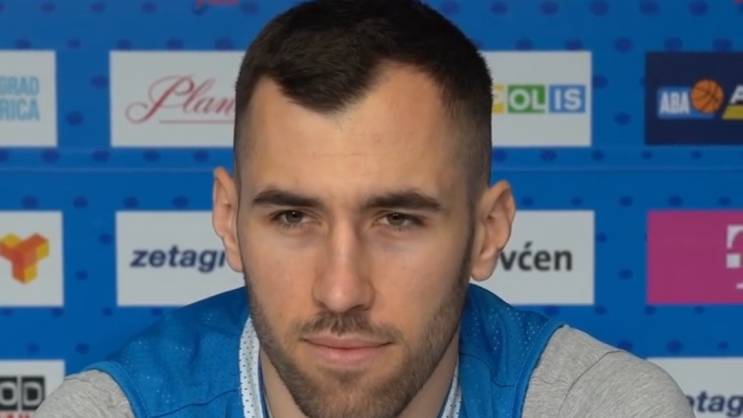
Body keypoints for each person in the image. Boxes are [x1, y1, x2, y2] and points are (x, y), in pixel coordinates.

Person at [37, 1, 693, 417]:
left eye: (398, 220)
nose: (341, 290)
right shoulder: (111, 412)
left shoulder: (601, 407)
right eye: (292, 218)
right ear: (229, 220)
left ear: (487, 232)